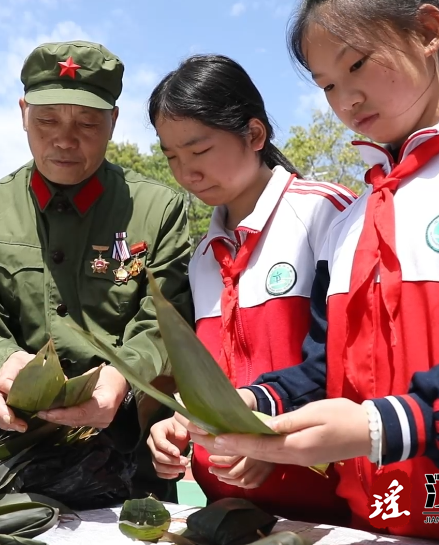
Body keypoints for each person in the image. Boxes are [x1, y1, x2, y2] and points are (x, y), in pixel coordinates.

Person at [179, 0, 439, 543]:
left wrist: (381, 426)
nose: (346, 99)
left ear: (428, 30)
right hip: (371, 521)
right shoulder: (351, 220)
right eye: (327, 85)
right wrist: (254, 402)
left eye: (357, 64)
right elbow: (324, 368)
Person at [0, 40, 193, 499]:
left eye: (87, 123)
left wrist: (123, 377)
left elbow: (166, 318)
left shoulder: (158, 210)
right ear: (23, 114)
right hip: (14, 457)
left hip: (128, 460)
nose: (64, 139)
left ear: (113, 121)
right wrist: (1, 364)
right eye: (47, 120)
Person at [144, 54, 353, 525]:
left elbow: (354, 365)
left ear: (254, 134)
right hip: (227, 513)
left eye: (199, 151)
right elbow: (213, 384)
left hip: (329, 514)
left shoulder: (327, 213)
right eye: (172, 157)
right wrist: (178, 423)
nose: (186, 173)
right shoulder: (202, 256)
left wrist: (275, 438)